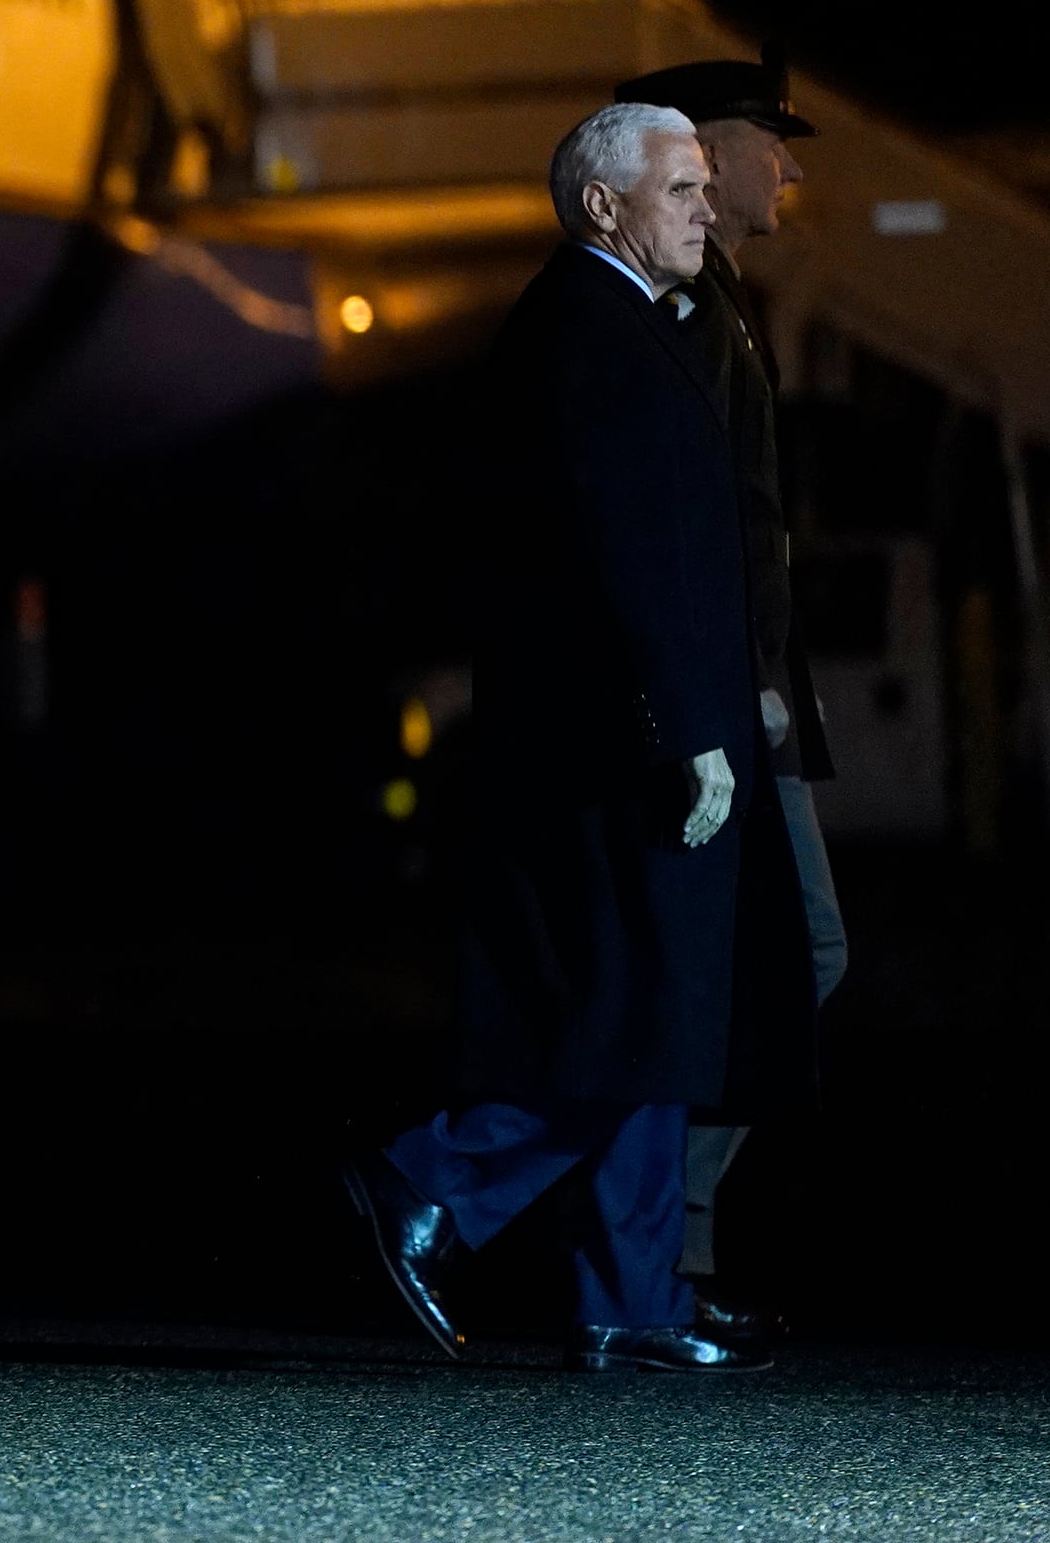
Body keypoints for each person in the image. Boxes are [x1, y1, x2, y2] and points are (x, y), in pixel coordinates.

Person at [340, 103, 816, 1374]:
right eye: (681, 189)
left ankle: (630, 1292)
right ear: (605, 207)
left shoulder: (617, 324)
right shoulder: (587, 332)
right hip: (625, 745)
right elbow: (622, 558)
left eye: (708, 187)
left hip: (646, 729)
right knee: (630, 1013)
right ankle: (428, 1180)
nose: (705, 209)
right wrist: (689, 729)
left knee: (657, 1012)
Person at [615, 58, 849, 1339]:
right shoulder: (685, 301)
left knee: (756, 961)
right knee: (778, 954)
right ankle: (468, 1180)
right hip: (727, 697)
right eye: (774, 144)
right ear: (705, 146)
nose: (792, 171)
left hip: (745, 687)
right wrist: (738, 690)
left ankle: (662, 1261)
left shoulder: (726, 298)